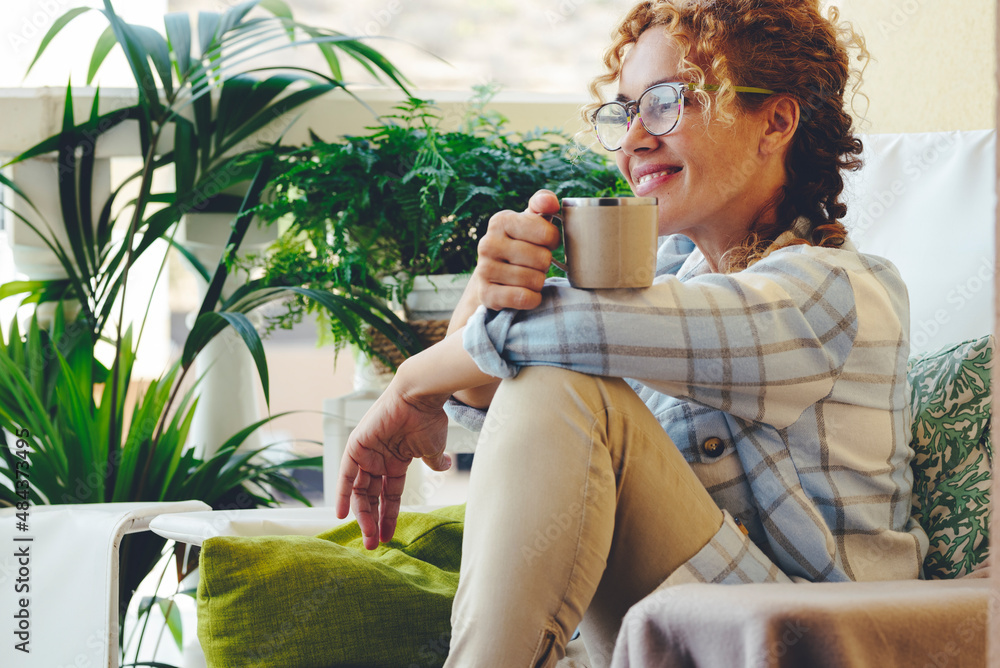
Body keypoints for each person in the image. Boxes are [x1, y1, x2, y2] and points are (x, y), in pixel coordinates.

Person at [335, 0, 929, 665]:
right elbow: (507, 404)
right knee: (559, 379)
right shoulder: (665, 282)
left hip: (810, 639)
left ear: (776, 121)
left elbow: (564, 344)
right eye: (623, 112)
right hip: (675, 629)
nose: (633, 140)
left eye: (669, 102)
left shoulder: (836, 292)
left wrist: (413, 382)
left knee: (565, 381)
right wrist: (492, 281)